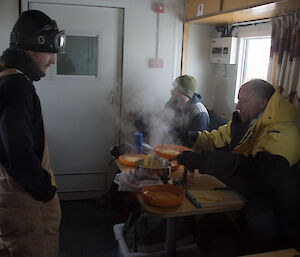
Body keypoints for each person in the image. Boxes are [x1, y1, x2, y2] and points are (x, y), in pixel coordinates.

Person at [177, 79, 300, 256]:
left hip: (269, 216)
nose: (237, 105)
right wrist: (187, 137)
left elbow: (262, 170)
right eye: (238, 99)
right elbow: (215, 137)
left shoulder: (284, 131)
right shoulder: (248, 122)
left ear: (262, 102)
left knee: (216, 239)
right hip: (242, 197)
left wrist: (206, 161)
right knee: (204, 227)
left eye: (243, 100)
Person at [0, 10, 65, 257]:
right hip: (25, 203)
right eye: (50, 52)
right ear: (31, 49)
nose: (52, 60)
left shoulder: (5, 77)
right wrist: (45, 190)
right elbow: (18, 154)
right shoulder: (18, 87)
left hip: (7, 201)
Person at [165, 75, 210, 146]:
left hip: (190, 152)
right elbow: (163, 123)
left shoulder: (200, 112)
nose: (171, 91)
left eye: (175, 88)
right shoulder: (172, 104)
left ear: (183, 91)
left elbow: (196, 142)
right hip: (173, 146)